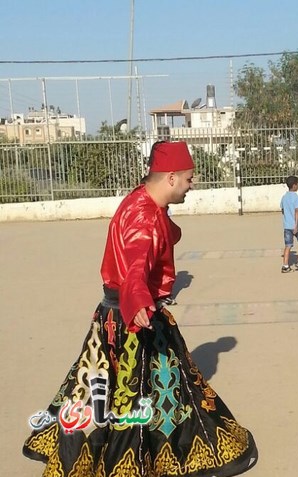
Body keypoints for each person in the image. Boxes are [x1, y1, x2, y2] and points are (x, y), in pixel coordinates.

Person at [23, 141, 258, 477]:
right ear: (173, 178)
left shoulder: (142, 199)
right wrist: (138, 304)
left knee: (114, 389)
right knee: (132, 394)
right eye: (189, 180)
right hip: (130, 316)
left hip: (117, 312)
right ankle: (129, 463)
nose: (192, 186)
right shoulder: (144, 216)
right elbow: (136, 265)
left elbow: (158, 237)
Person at [280, 175, 298, 273]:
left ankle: (285, 265)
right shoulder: (297, 197)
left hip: (287, 225)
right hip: (297, 226)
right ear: (294, 185)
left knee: (288, 245)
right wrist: (295, 225)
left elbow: (282, 210)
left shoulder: (284, 198)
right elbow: (297, 211)